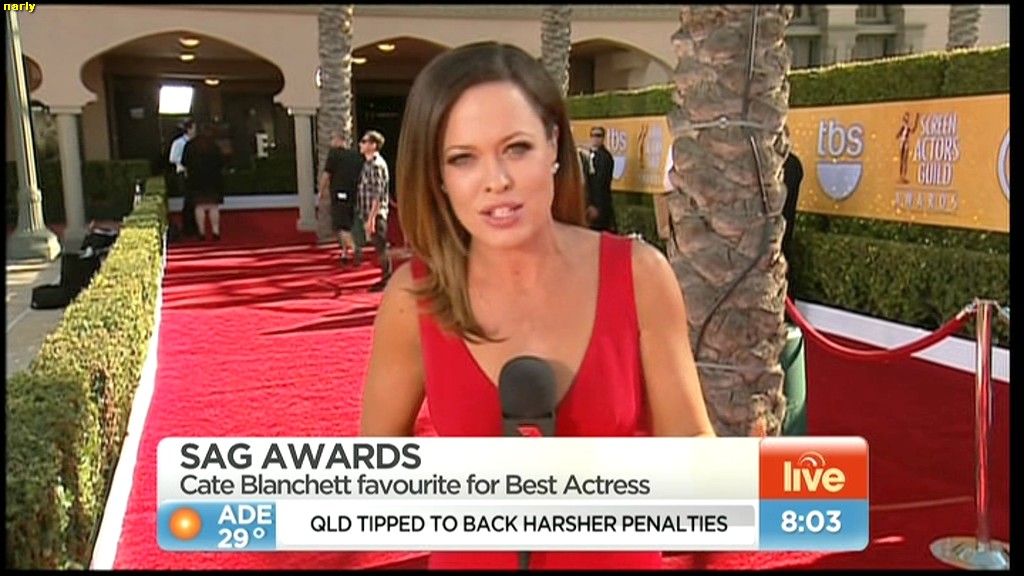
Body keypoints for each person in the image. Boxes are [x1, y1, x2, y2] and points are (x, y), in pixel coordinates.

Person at [360, 41, 715, 571]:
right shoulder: (413, 299)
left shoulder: (640, 274)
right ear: (438, 176)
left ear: (554, 145)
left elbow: (691, 443)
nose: (497, 180)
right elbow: (375, 472)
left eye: (517, 148)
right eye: (463, 158)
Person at [319, 131, 365, 266]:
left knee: (340, 226)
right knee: (348, 223)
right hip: (353, 195)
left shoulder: (334, 154)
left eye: (332, 138)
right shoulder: (356, 156)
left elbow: (326, 175)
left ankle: (354, 249)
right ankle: (344, 252)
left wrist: (321, 191)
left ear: (339, 140)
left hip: (339, 194)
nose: (331, 142)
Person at [357, 130, 392, 292]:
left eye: (364, 141)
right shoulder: (368, 164)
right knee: (379, 246)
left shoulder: (377, 165)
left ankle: (387, 279)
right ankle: (385, 277)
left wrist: (371, 218)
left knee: (381, 246)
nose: (361, 144)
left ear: (373, 145)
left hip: (376, 214)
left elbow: (378, 194)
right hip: (369, 212)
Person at [181, 123, 226, 240]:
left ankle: (202, 232)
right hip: (213, 180)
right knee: (213, 206)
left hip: (196, 180)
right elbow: (221, 162)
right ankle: (215, 231)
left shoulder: (190, 145)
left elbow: (184, 162)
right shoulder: (214, 145)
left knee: (199, 206)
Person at [168, 120, 198, 238]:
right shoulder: (179, 143)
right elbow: (173, 158)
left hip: (194, 173)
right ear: (188, 129)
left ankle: (194, 225)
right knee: (188, 199)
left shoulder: (195, 143)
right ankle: (188, 226)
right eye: (194, 128)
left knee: (194, 200)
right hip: (183, 172)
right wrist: (185, 163)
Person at [583, 126, 616, 232]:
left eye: (598, 135)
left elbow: (601, 183)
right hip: (588, 203)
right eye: (593, 135)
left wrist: (596, 205)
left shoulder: (605, 157)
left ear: (603, 138)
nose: (595, 138)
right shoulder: (588, 155)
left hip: (601, 205)